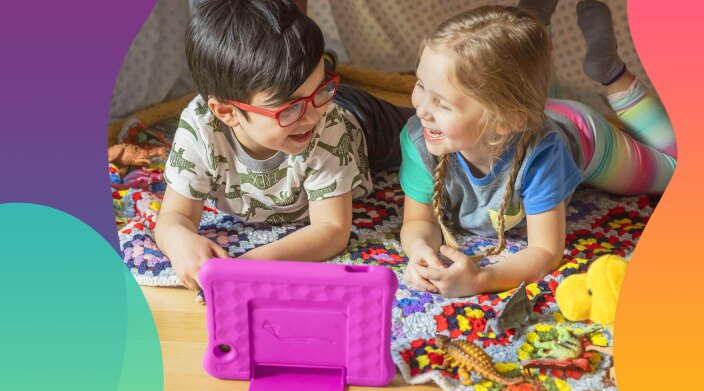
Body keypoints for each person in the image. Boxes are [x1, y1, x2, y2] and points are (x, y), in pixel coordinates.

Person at [399, 0, 677, 297]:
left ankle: (610, 72)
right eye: (420, 84)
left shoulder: (543, 154)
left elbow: (545, 249)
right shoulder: (420, 138)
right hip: (519, 113)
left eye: (442, 103)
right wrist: (421, 251)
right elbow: (418, 221)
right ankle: (535, 21)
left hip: (581, 132)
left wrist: (480, 279)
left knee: (675, 171)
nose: (421, 110)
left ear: (505, 121)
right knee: (523, 95)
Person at [156, 0, 412, 295]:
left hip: (365, 123)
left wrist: (247, 265)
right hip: (326, 104)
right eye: (288, 108)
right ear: (226, 113)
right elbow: (174, 217)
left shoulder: (324, 119)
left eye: (322, 84)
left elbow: (332, 230)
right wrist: (179, 241)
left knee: (431, 134)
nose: (311, 116)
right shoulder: (200, 130)